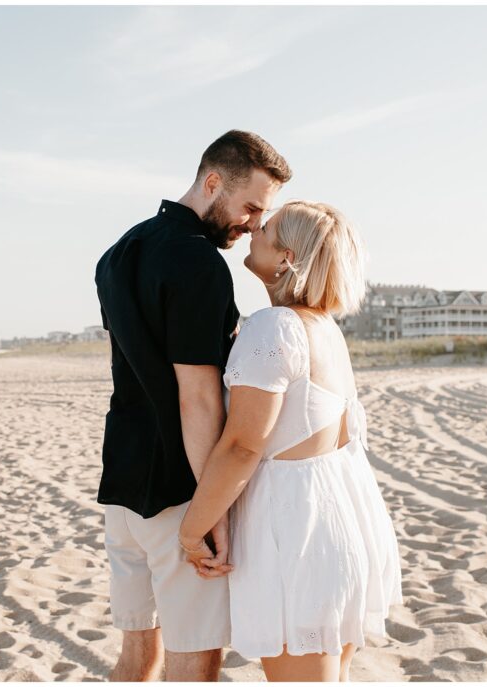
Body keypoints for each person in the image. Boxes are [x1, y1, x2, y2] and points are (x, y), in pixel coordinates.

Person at [178, 200, 404, 681]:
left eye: (268, 228)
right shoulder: (325, 329)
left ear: (287, 258)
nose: (255, 228)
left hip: (297, 538)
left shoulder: (276, 327)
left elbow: (243, 446)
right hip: (343, 525)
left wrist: (192, 528)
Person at [94, 130, 291, 681]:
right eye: (251, 205)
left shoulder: (117, 253)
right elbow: (198, 395)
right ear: (211, 182)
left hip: (122, 484)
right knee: (196, 659)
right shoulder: (199, 263)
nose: (254, 223)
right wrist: (212, 508)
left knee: (136, 653)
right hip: (179, 489)